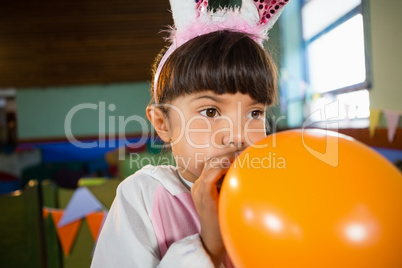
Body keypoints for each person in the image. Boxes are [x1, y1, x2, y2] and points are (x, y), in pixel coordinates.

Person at [91, 0, 289, 267]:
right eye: (210, 112)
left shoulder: (280, 190)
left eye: (255, 113)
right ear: (163, 124)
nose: (237, 136)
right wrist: (207, 248)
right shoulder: (142, 197)